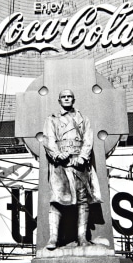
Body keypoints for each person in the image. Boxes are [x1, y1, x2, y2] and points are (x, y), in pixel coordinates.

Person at [42, 89, 101, 250]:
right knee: (57, 200)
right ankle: (53, 238)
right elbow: (48, 139)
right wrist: (57, 154)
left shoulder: (83, 119)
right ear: (59, 100)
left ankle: (82, 237)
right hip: (60, 164)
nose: (66, 99)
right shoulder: (52, 119)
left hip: (79, 163)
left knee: (83, 200)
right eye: (63, 97)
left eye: (69, 97)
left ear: (73, 100)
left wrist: (82, 157)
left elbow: (88, 139)